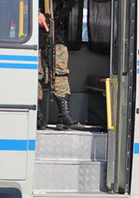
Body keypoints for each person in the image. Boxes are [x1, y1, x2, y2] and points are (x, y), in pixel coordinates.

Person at [38, 0, 84, 130]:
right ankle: (37, 115)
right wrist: (34, 13)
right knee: (36, 75)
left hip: (56, 35)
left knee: (61, 73)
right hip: (33, 36)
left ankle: (64, 115)